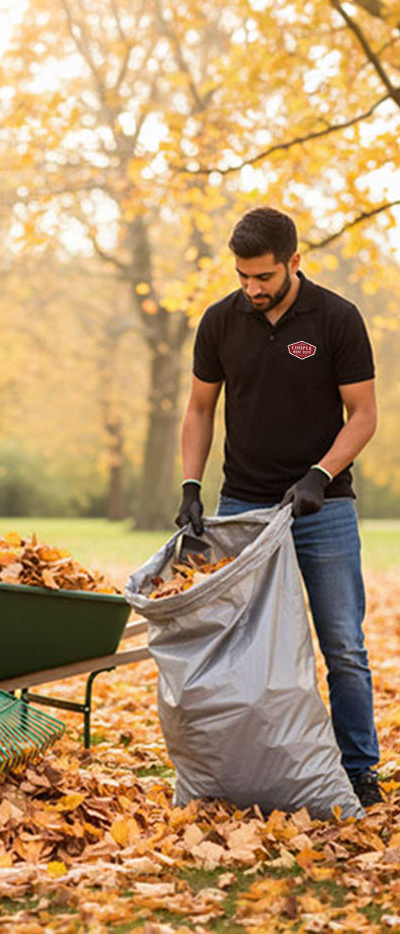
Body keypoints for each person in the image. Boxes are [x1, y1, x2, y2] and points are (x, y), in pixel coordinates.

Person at [176, 206, 382, 808]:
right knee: (241, 645)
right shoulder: (220, 322)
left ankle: (358, 769)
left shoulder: (336, 319)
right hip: (243, 504)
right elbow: (199, 410)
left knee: (342, 645)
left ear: (294, 261)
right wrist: (191, 486)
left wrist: (321, 474)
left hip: (324, 509)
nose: (252, 289)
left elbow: (364, 415)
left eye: (263, 277)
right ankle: (250, 768)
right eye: (242, 276)